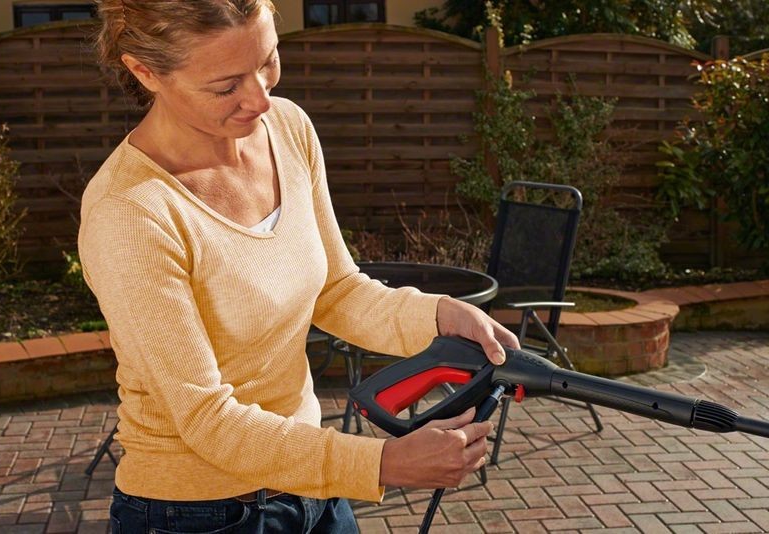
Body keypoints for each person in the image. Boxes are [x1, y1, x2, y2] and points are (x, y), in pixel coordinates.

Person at [78, 1, 521, 532]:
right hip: (196, 512)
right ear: (145, 71)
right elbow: (206, 418)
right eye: (226, 86)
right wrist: (381, 463)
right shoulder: (130, 213)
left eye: (268, 61)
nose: (260, 98)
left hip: (311, 485)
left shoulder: (287, 129)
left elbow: (335, 289)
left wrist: (439, 316)